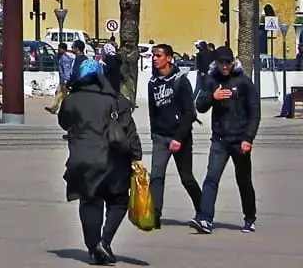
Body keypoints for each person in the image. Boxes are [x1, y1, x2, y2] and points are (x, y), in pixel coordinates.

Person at [58, 57, 142, 265]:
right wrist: (136, 156)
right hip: (111, 161)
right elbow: (129, 132)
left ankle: (94, 248)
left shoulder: (71, 100)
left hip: (81, 160)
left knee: (89, 202)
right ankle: (103, 242)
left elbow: (64, 122)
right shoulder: (115, 100)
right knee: (118, 201)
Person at [192, 45, 259, 235]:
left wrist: (248, 138)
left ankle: (249, 218)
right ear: (216, 63)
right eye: (221, 62)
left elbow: (255, 113)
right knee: (211, 178)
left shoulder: (244, 82)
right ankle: (205, 219)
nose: (224, 66)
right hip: (220, 139)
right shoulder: (211, 80)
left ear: (233, 62)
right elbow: (200, 105)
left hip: (240, 140)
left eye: (227, 62)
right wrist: (212, 97)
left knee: (243, 180)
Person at [147, 43, 202, 228]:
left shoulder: (180, 80)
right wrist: (155, 132)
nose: (155, 58)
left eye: (159, 55)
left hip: (181, 137)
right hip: (161, 137)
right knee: (156, 175)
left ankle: (203, 211)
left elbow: (190, 113)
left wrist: (179, 137)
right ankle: (155, 215)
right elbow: (152, 112)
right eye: (153, 55)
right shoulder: (152, 83)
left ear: (169, 58)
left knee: (186, 177)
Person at [46, 42, 76, 115]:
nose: (58, 50)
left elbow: (66, 70)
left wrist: (66, 79)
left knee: (63, 96)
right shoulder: (62, 57)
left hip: (65, 80)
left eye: (60, 48)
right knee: (59, 94)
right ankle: (54, 108)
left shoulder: (65, 59)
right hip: (62, 80)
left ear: (63, 49)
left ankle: (67, 109)